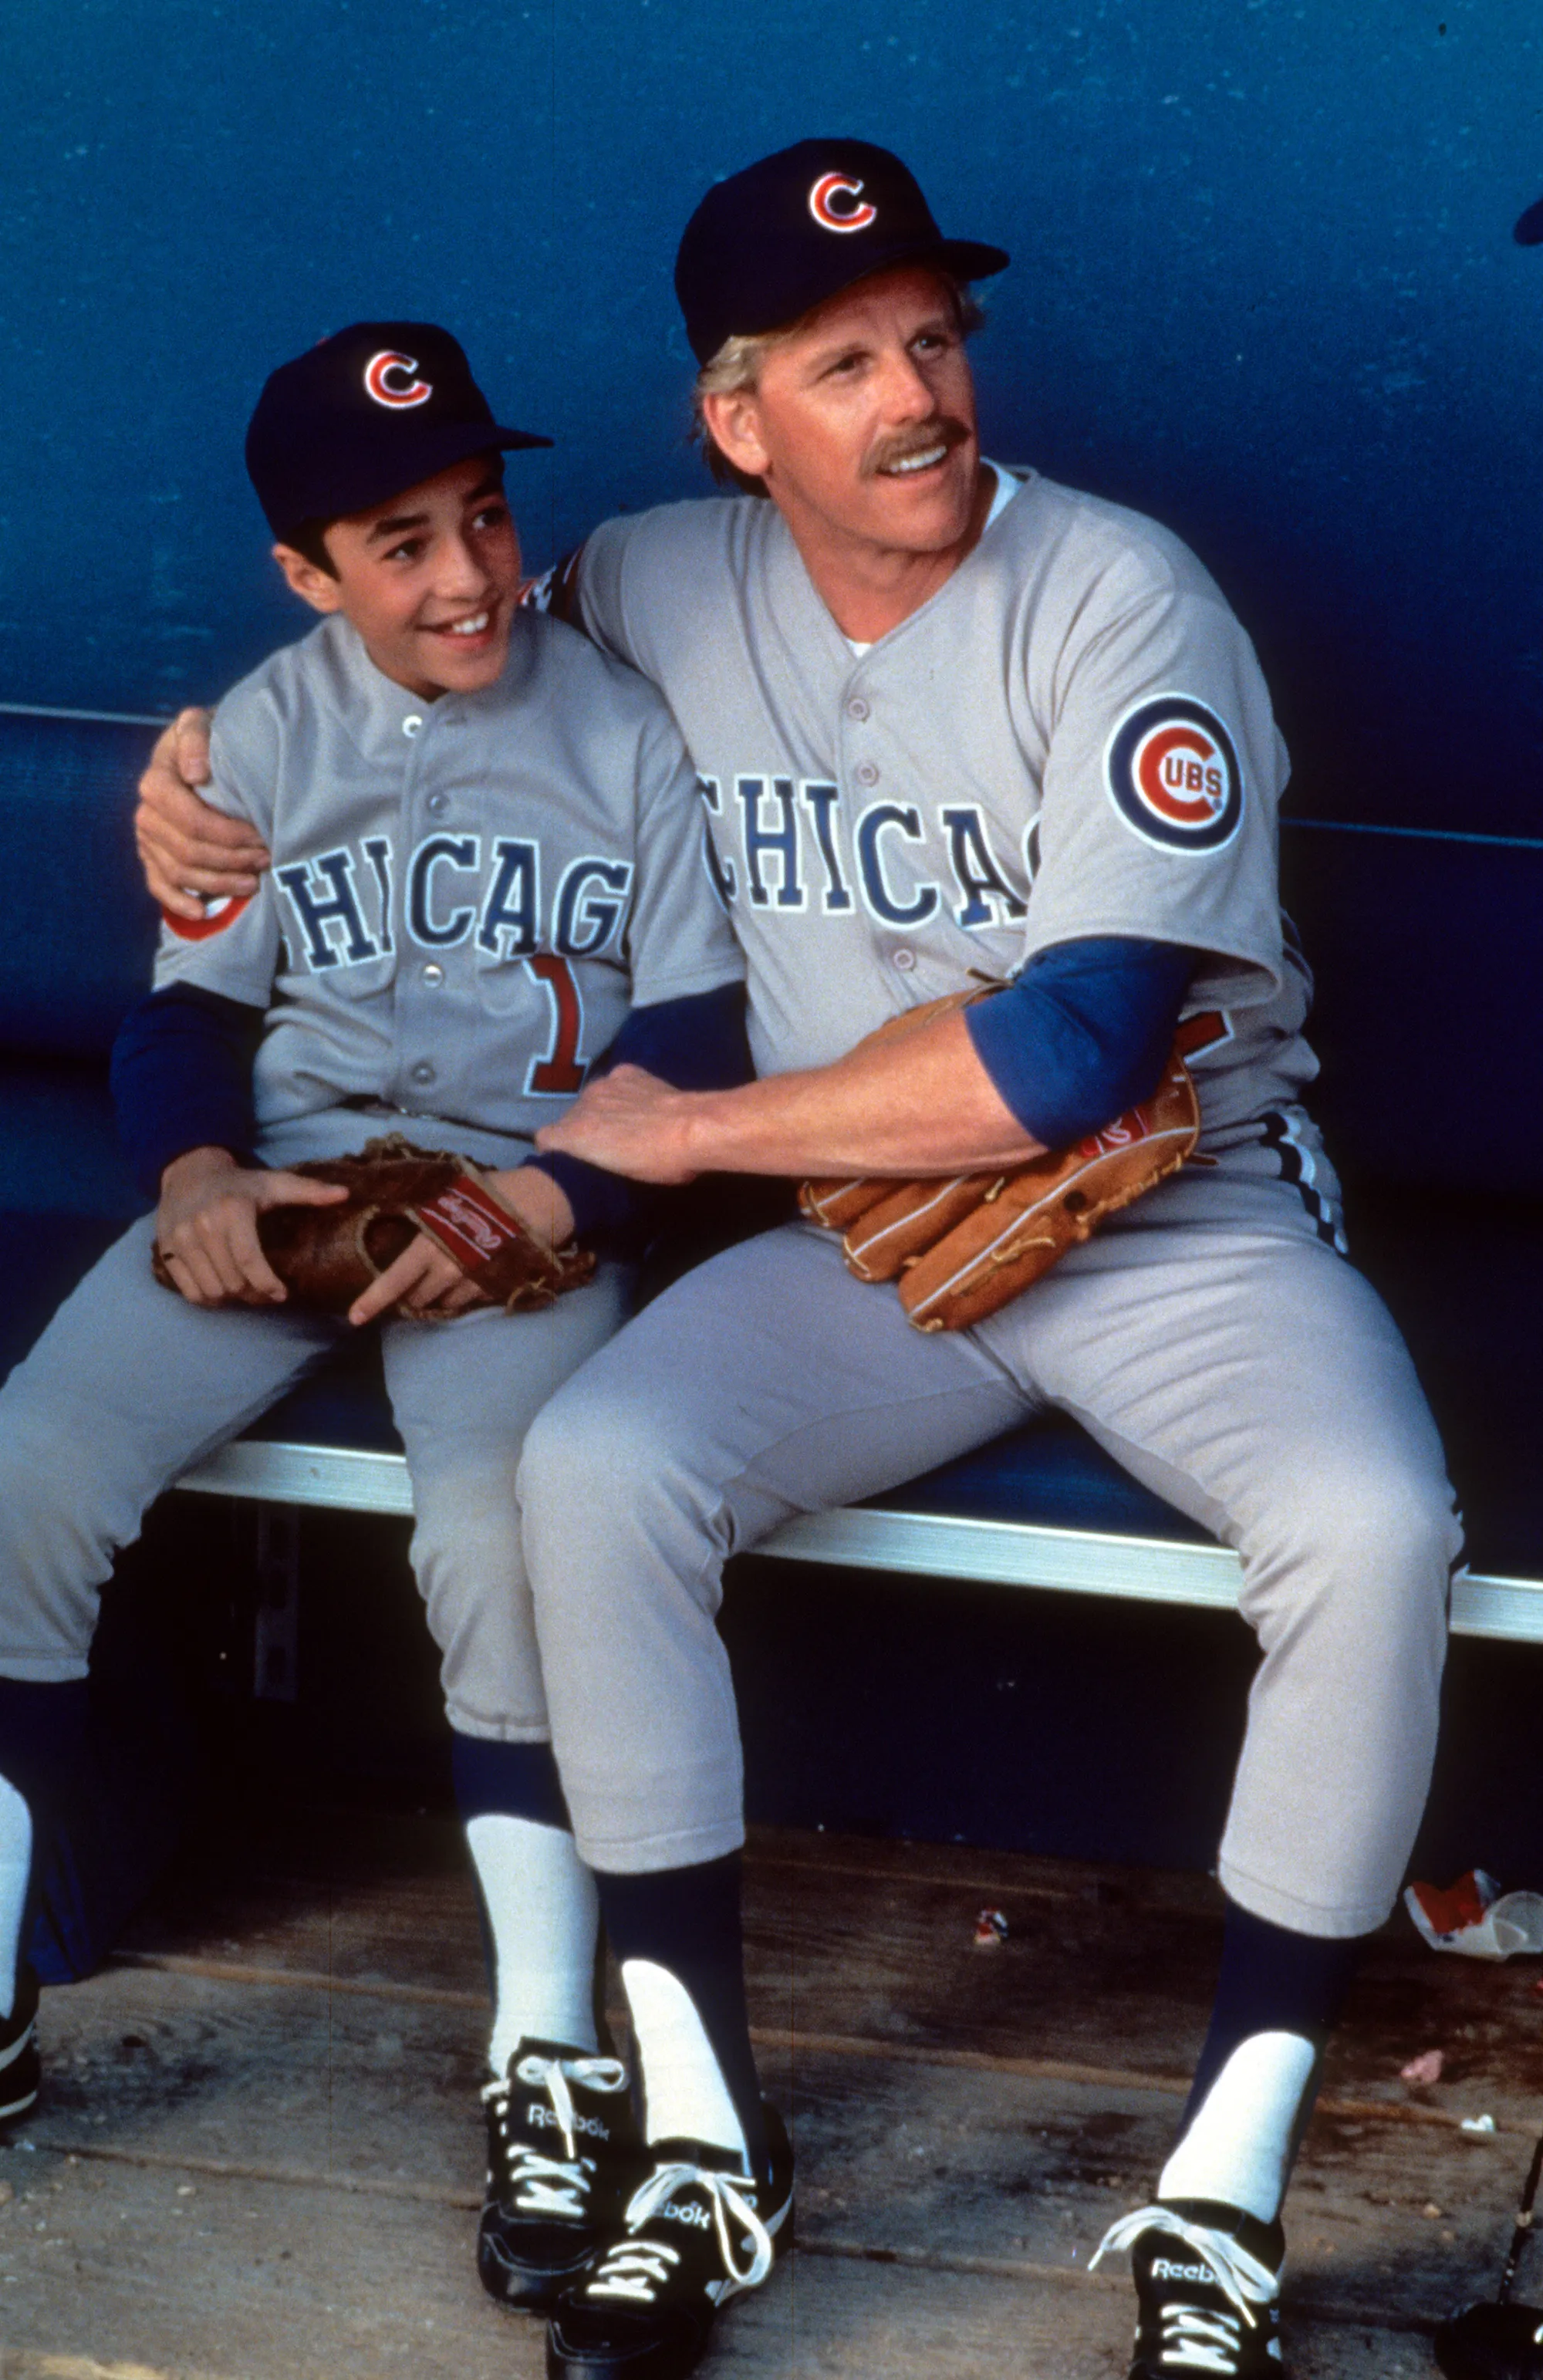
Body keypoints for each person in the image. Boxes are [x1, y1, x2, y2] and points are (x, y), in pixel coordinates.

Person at [136, 145, 1461, 2380]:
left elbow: (1074, 1050)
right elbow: (417, 654)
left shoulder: (1126, 594)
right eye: (845, 360)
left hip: (1175, 1207)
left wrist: (684, 1130)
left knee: (1373, 1523)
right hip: (862, 1245)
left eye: (935, 336)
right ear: (739, 422)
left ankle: (1224, 2190)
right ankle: (697, 2138)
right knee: (602, 1463)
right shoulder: (652, 582)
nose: (916, 391)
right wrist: (194, 777)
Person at [2, 318, 762, 2326]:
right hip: (298, 1191)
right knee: (29, 1464)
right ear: (306, 574)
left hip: (523, 1209)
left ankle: (546, 2046)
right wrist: (192, 1181)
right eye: (398, 538)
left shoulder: (619, 721)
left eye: (485, 514)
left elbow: (697, 1028)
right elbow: (181, 1020)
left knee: (503, 1518)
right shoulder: (257, 733)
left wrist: (574, 1194)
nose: (465, 573)